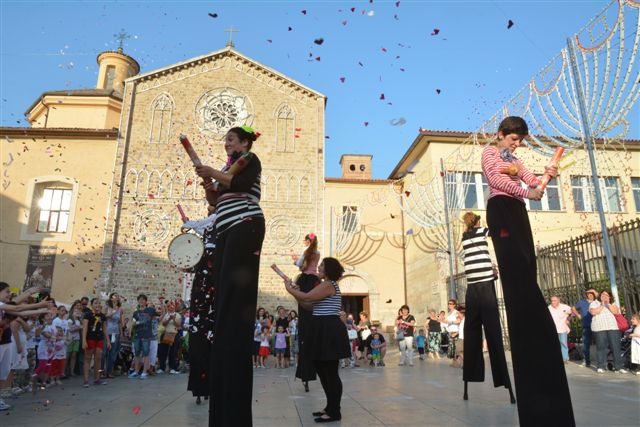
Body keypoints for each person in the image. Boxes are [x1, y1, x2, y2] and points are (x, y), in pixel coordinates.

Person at [482, 116, 574, 425]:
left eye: (520, 140)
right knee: (515, 266)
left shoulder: (515, 159)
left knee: (527, 262)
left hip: (519, 210)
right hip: (502, 209)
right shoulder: (490, 153)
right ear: (501, 134)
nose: (516, 144)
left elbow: (532, 181)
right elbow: (497, 181)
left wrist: (545, 177)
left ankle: (533, 318)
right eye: (513, 139)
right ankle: (523, 315)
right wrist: (527, 192)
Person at [195, 126, 265, 427]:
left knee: (235, 303)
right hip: (226, 230)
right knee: (222, 298)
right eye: (226, 140)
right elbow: (214, 201)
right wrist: (207, 182)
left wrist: (213, 171)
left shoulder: (248, 160)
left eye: (232, 139)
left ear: (245, 142)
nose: (227, 143)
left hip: (244, 225)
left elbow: (237, 182)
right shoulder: (227, 167)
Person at [284, 257, 350, 423]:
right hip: (322, 328)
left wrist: (290, 290)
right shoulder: (324, 285)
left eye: (321, 265)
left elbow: (307, 298)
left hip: (328, 329)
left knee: (330, 373)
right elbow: (309, 305)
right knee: (322, 370)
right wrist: (298, 293)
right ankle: (330, 407)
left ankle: (335, 411)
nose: (318, 267)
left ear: (328, 269)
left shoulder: (328, 284)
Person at [460, 212, 514, 398]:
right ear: (476, 222)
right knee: (493, 331)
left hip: (472, 289)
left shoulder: (464, 236)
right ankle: (504, 381)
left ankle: (470, 377)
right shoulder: (482, 231)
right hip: (485, 285)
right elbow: (502, 233)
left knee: (471, 332)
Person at [185, 208, 217, 403]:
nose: (209, 208)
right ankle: (200, 383)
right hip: (203, 283)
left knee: (211, 333)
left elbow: (196, 224)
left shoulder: (219, 218)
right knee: (200, 334)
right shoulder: (206, 234)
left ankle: (211, 383)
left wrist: (189, 224)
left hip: (213, 281)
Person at [293, 233, 321, 391]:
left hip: (305, 281)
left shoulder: (306, 251)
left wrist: (294, 259)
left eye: (305, 240)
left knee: (304, 306)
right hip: (315, 281)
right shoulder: (317, 253)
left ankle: (305, 372)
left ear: (308, 241)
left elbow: (300, 264)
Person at [589, 290, 627, 374]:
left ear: (610, 297)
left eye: (607, 295)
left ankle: (618, 367)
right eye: (603, 294)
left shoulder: (613, 304)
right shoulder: (594, 303)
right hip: (599, 328)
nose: (605, 296)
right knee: (601, 347)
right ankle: (601, 366)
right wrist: (602, 304)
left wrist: (608, 303)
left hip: (612, 327)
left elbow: (615, 312)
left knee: (616, 347)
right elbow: (593, 312)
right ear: (600, 296)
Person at [129, 294, 159, 379]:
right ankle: (136, 371)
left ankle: (144, 372)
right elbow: (133, 323)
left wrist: (162, 304)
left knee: (146, 353)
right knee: (137, 353)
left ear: (146, 301)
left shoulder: (150, 310)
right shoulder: (136, 312)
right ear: (138, 301)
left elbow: (159, 314)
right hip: (138, 335)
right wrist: (130, 330)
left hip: (146, 335)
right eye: (140, 300)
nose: (141, 301)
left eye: (143, 300)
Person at [81, 298, 108, 387]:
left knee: (98, 358)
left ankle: (97, 379)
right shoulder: (87, 315)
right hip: (90, 338)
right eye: (95, 303)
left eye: (99, 303)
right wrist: (84, 340)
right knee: (88, 358)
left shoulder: (102, 316)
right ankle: (86, 380)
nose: (98, 305)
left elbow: (105, 329)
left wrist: (108, 341)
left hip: (99, 339)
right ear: (91, 305)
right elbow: (84, 328)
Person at [572, 289, 598, 368]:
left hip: (597, 325)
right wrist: (578, 315)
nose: (590, 295)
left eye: (592, 294)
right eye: (588, 294)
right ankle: (586, 361)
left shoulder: (597, 302)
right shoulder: (582, 302)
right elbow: (573, 308)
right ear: (586, 295)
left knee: (600, 344)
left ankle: (602, 361)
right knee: (586, 344)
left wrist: (594, 291)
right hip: (586, 325)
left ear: (594, 295)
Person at [158, 302, 182, 374]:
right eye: (169, 307)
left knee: (173, 352)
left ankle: (172, 368)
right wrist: (169, 319)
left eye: (172, 306)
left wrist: (174, 319)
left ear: (174, 307)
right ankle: (162, 368)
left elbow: (178, 325)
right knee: (163, 352)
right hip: (166, 334)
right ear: (168, 308)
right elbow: (163, 323)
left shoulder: (177, 315)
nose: (171, 308)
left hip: (174, 334)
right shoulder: (166, 314)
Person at [103, 292, 124, 378]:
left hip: (116, 333)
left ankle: (110, 371)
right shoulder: (106, 307)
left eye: (118, 296)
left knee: (113, 353)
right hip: (107, 332)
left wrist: (121, 333)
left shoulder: (120, 309)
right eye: (115, 296)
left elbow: (120, 322)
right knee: (104, 353)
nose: (117, 297)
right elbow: (104, 318)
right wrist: (112, 311)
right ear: (111, 298)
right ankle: (101, 372)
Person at [548, 296, 572, 364]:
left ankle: (565, 358)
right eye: (552, 300)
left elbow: (572, 312)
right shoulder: (549, 308)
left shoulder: (565, 307)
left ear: (559, 300)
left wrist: (568, 319)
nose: (553, 302)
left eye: (554, 300)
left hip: (562, 328)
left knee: (563, 343)